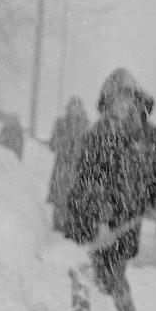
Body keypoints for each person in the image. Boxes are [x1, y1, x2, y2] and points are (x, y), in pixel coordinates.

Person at [63, 68, 156, 311]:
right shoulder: (99, 134)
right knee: (85, 268)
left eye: (128, 98)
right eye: (116, 99)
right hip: (93, 214)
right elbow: (90, 179)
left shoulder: (151, 137)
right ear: (108, 102)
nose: (122, 105)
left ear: (137, 100)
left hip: (127, 218)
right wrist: (100, 219)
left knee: (114, 269)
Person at [47, 97, 91, 232]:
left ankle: (72, 229)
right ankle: (58, 228)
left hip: (78, 168)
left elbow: (90, 148)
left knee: (76, 199)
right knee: (60, 199)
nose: (74, 110)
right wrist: (63, 142)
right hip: (62, 168)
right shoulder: (60, 123)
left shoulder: (86, 125)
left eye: (76, 107)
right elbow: (52, 144)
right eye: (71, 107)